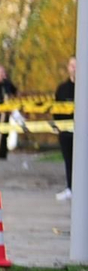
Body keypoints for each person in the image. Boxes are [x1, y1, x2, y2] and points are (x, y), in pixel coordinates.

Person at [57, 57, 76, 201]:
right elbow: (56, 110)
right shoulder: (62, 89)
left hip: (82, 133)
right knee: (69, 161)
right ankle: (70, 188)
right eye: (71, 65)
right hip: (66, 132)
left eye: (76, 65)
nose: (74, 68)